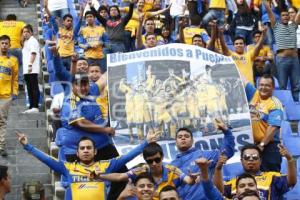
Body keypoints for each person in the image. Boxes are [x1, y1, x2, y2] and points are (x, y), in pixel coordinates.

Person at [17, 131, 157, 200]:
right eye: (82, 148)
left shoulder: (106, 165)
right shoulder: (68, 167)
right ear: (77, 153)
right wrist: (27, 146)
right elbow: (47, 159)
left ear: (95, 151)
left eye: (88, 148)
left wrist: (146, 143)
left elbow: (127, 157)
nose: (85, 151)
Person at [95, 142, 198, 200]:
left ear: (162, 157)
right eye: (150, 161)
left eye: (157, 160)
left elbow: (189, 181)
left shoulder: (172, 170)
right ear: (145, 160)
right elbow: (120, 177)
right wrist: (101, 176)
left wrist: (194, 178)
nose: (154, 164)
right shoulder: (142, 170)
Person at [170, 119, 235, 200]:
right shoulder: (172, 165)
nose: (183, 138)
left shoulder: (205, 155)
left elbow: (227, 152)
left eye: (186, 136)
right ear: (175, 142)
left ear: (192, 141)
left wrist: (227, 132)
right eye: (180, 137)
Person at [223, 144, 297, 199]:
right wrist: (218, 168)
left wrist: (289, 159)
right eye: (247, 157)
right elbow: (219, 193)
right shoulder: (232, 182)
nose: (251, 159)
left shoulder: (272, 177)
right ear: (241, 161)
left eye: (255, 157)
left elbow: (291, 182)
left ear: (260, 160)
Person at [243, 74, 283, 172]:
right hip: (253, 146)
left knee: (271, 178)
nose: (263, 88)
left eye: (267, 85)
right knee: (253, 178)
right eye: (261, 85)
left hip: (269, 147)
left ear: (273, 88)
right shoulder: (254, 93)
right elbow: (242, 79)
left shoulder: (275, 103)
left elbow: (273, 128)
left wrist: (261, 145)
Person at [264, 0, 300, 101]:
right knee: (282, 86)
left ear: (289, 17)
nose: (285, 16)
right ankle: (284, 107)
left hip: (294, 60)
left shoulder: (293, 25)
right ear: (280, 17)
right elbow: (268, 10)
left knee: (297, 86)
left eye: (287, 15)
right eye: (283, 15)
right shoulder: (276, 26)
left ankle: (297, 110)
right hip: (282, 60)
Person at [0, 35, 18, 157]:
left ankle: (1, 146)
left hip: (5, 96)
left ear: (10, 45)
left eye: (6, 43)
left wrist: (15, 92)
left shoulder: (13, 60)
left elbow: (15, 77)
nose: (4, 45)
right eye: (2, 43)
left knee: (2, 121)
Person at [0, 14, 25, 87]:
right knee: (21, 63)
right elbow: (27, 28)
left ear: (6, 19)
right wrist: (22, 40)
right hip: (17, 47)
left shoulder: (1, 24)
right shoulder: (20, 23)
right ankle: (20, 82)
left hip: (3, 47)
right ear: (15, 19)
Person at [21, 24, 41, 114]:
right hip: (26, 70)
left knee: (33, 87)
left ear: (31, 32)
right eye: (23, 32)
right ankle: (31, 106)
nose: (25, 34)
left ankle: (35, 106)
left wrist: (30, 64)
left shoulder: (33, 40)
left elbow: (34, 53)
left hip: (32, 68)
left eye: (27, 32)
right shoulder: (26, 42)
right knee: (29, 87)